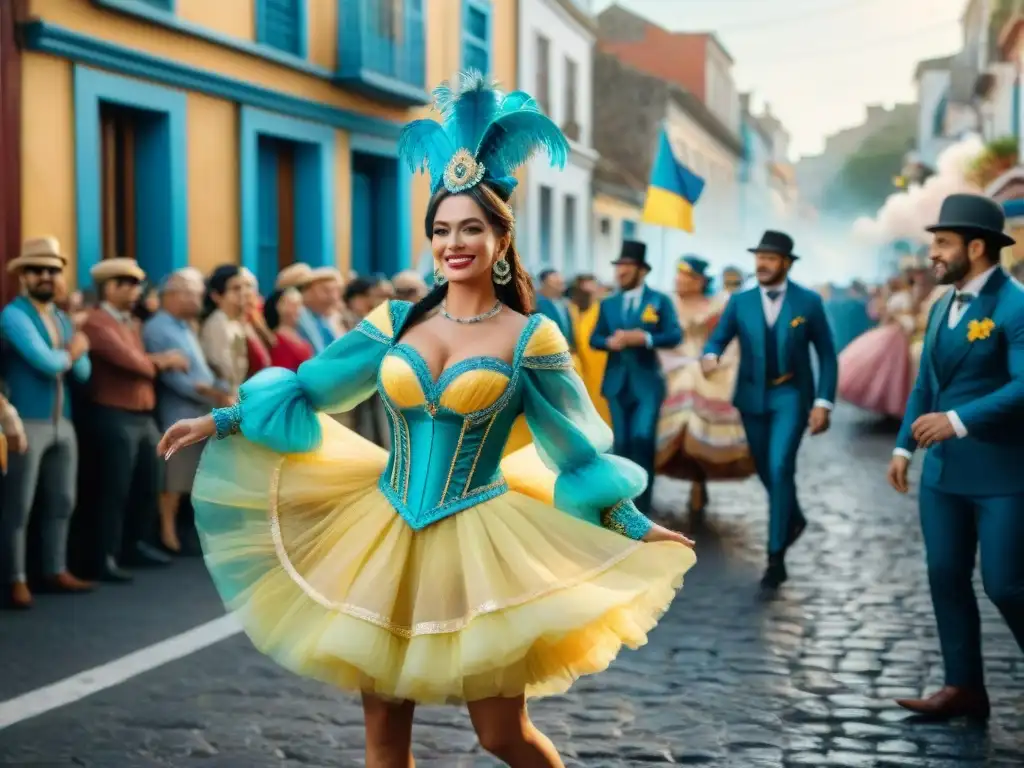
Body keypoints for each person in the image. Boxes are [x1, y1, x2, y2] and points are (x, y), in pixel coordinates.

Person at [157, 73, 695, 767]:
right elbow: (315, 387)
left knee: (501, 735)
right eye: (441, 229)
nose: (453, 243)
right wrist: (221, 421)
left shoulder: (532, 338)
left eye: (471, 228)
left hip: (482, 540)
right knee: (383, 736)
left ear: (500, 237)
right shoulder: (394, 320)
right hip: (382, 532)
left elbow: (575, 451)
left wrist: (630, 522)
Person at [887, 193, 1024, 720]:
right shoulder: (943, 304)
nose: (934, 254)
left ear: (977, 247)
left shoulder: (1016, 305)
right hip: (942, 475)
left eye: (943, 243)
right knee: (945, 575)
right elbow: (927, 383)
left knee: (1005, 584)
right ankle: (963, 687)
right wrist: (904, 445)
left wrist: (957, 420)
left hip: (1002, 473)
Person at [703, 230, 838, 590]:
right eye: (759, 257)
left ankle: (775, 555)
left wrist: (824, 402)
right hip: (751, 397)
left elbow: (827, 355)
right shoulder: (740, 301)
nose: (762, 264)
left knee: (780, 466)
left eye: (770, 258)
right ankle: (794, 516)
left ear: (787, 264)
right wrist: (711, 355)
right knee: (765, 468)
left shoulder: (809, 302)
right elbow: (718, 337)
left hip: (791, 394)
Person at [0, 237, 94, 609]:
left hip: (62, 419)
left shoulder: (60, 318)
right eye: (37, 269)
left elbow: (82, 373)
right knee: (18, 504)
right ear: (23, 275)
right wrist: (73, 350)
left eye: (53, 270)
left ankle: (56, 568)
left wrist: (71, 354)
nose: (45, 276)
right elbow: (46, 363)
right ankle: (16, 578)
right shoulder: (14, 315)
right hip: (26, 418)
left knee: (62, 499)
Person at [81, 258, 182, 579]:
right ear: (109, 287)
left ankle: (134, 544)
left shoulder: (129, 322)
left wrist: (152, 360)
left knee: (147, 483)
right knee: (113, 489)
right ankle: (104, 556)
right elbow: (134, 363)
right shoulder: (96, 322)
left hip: (141, 415)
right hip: (113, 413)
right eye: (128, 284)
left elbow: (140, 361)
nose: (136, 290)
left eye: (137, 284)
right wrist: (163, 360)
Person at [656, 256, 754, 524]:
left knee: (697, 421)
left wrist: (717, 360)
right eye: (677, 275)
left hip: (706, 366)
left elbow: (727, 338)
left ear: (699, 281)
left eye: (685, 276)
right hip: (670, 364)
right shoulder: (666, 303)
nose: (678, 281)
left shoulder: (717, 305)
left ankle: (698, 480)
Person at [590, 240, 683, 515]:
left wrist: (645, 338)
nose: (620, 272)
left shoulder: (659, 301)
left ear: (642, 270)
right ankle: (623, 505)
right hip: (617, 383)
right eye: (618, 267)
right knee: (622, 444)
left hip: (647, 384)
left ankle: (643, 505)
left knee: (643, 440)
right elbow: (595, 338)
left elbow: (674, 334)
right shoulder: (609, 304)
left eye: (627, 267)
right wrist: (609, 342)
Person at [263, 287, 314, 371]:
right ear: (279, 307)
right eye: (292, 305)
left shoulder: (297, 335)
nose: (298, 310)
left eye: (299, 305)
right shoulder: (276, 340)